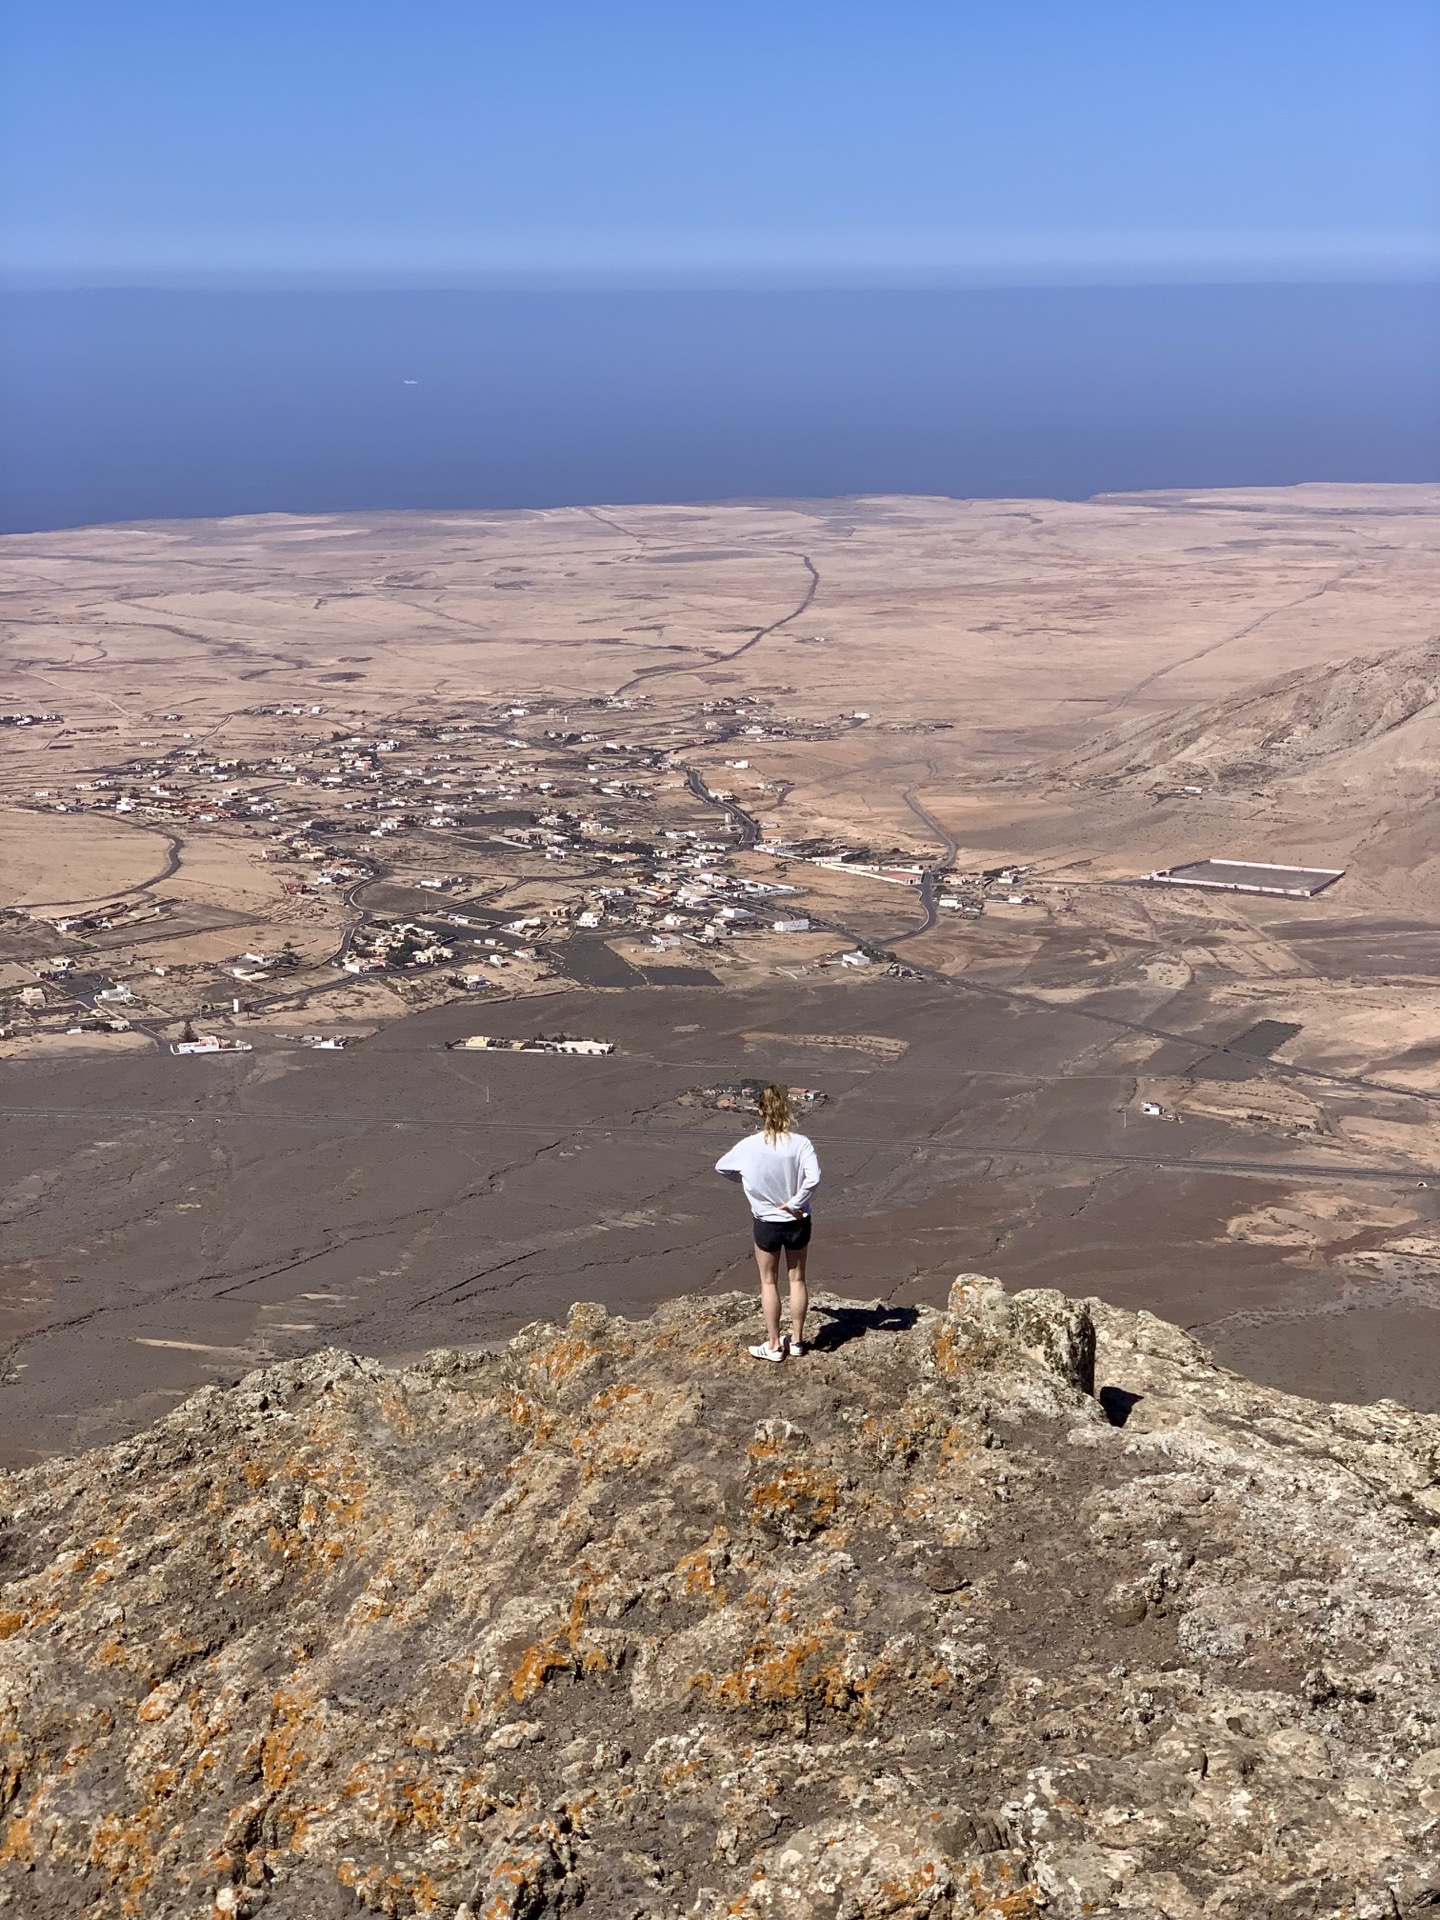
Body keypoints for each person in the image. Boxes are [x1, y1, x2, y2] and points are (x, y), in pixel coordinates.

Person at [715, 1083, 821, 1362]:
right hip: (797, 1220)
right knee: (797, 1279)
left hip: (766, 1222)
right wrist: (796, 1202)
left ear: (760, 1110)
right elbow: (814, 1178)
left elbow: (722, 1167)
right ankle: (797, 1341)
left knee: (768, 1281)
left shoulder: (748, 1146)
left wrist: (748, 1181)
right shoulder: (800, 1144)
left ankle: (774, 1344)